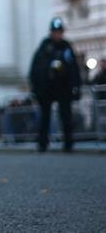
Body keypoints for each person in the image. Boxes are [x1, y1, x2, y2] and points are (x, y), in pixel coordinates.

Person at [29, 17, 82, 152]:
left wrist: (76, 86)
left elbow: (74, 68)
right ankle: (42, 144)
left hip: (63, 87)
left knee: (66, 116)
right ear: (51, 32)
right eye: (55, 32)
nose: (58, 34)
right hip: (46, 88)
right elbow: (35, 69)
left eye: (59, 32)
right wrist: (35, 88)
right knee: (45, 116)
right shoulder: (44, 47)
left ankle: (68, 144)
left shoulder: (66, 47)